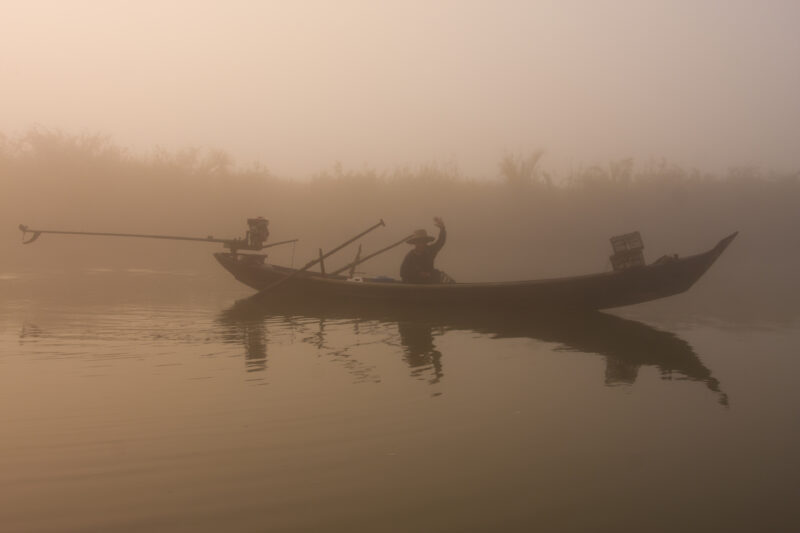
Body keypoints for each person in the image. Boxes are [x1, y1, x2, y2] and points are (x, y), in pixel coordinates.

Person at [400, 217, 447, 283]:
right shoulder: (410, 256)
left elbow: (440, 242)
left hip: (429, 284)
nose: (421, 244)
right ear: (415, 243)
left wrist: (442, 229)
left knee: (436, 273)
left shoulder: (430, 251)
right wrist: (419, 274)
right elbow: (403, 273)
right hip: (414, 286)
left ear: (426, 242)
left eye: (423, 242)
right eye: (418, 242)